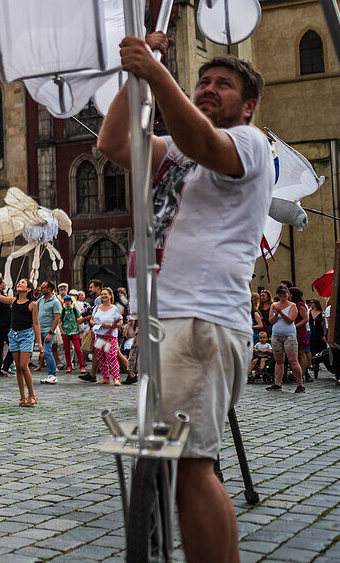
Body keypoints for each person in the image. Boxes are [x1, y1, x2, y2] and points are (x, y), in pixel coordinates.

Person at [98, 36, 273, 562]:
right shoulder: (176, 151)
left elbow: (203, 144)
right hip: (165, 321)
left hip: (202, 318)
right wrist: (133, 77)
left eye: (224, 85)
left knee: (192, 465)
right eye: (203, 81)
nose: (208, 89)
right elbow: (113, 145)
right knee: (175, 464)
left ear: (248, 105)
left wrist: (155, 74)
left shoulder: (249, 143)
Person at [0, 267, 39, 406]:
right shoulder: (14, 301)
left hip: (26, 335)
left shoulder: (32, 304)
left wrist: (39, 343)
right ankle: (22, 397)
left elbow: (36, 324)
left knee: (23, 366)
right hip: (13, 335)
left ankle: (32, 396)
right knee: (18, 367)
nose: (19, 284)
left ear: (28, 289)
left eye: (23, 283)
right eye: (19, 282)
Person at [266, 286, 304, 392]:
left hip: (289, 335)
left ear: (288, 294)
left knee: (293, 360)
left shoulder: (293, 306)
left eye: (284, 293)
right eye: (280, 294)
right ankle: (277, 383)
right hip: (276, 336)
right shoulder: (274, 305)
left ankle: (300, 384)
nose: (282, 296)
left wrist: (281, 313)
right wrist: (276, 314)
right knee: (279, 360)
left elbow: (290, 320)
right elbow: (271, 321)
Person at [90, 288, 123, 386]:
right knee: (100, 357)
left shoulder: (115, 309)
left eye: (105, 294)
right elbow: (91, 320)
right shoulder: (97, 308)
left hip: (110, 336)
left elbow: (120, 322)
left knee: (112, 357)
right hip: (99, 335)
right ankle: (106, 378)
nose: (103, 296)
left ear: (110, 296)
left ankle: (116, 378)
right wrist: (95, 323)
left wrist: (110, 325)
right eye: (102, 294)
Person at [35, 281, 62, 384]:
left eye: (43, 288)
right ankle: (51, 374)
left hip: (48, 331)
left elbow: (56, 319)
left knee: (47, 351)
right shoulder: (41, 300)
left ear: (49, 289)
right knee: (44, 352)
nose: (41, 289)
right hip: (40, 330)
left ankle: (53, 374)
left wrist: (50, 333)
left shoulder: (55, 302)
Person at [60, 294, 85, 373]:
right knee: (67, 350)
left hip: (74, 331)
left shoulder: (74, 310)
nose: (67, 303)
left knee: (78, 349)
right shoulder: (63, 311)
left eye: (69, 301)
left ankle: (82, 366)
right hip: (66, 332)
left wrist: (80, 331)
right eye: (66, 301)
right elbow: (59, 321)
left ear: (71, 302)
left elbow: (79, 320)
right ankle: (69, 366)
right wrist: (62, 331)